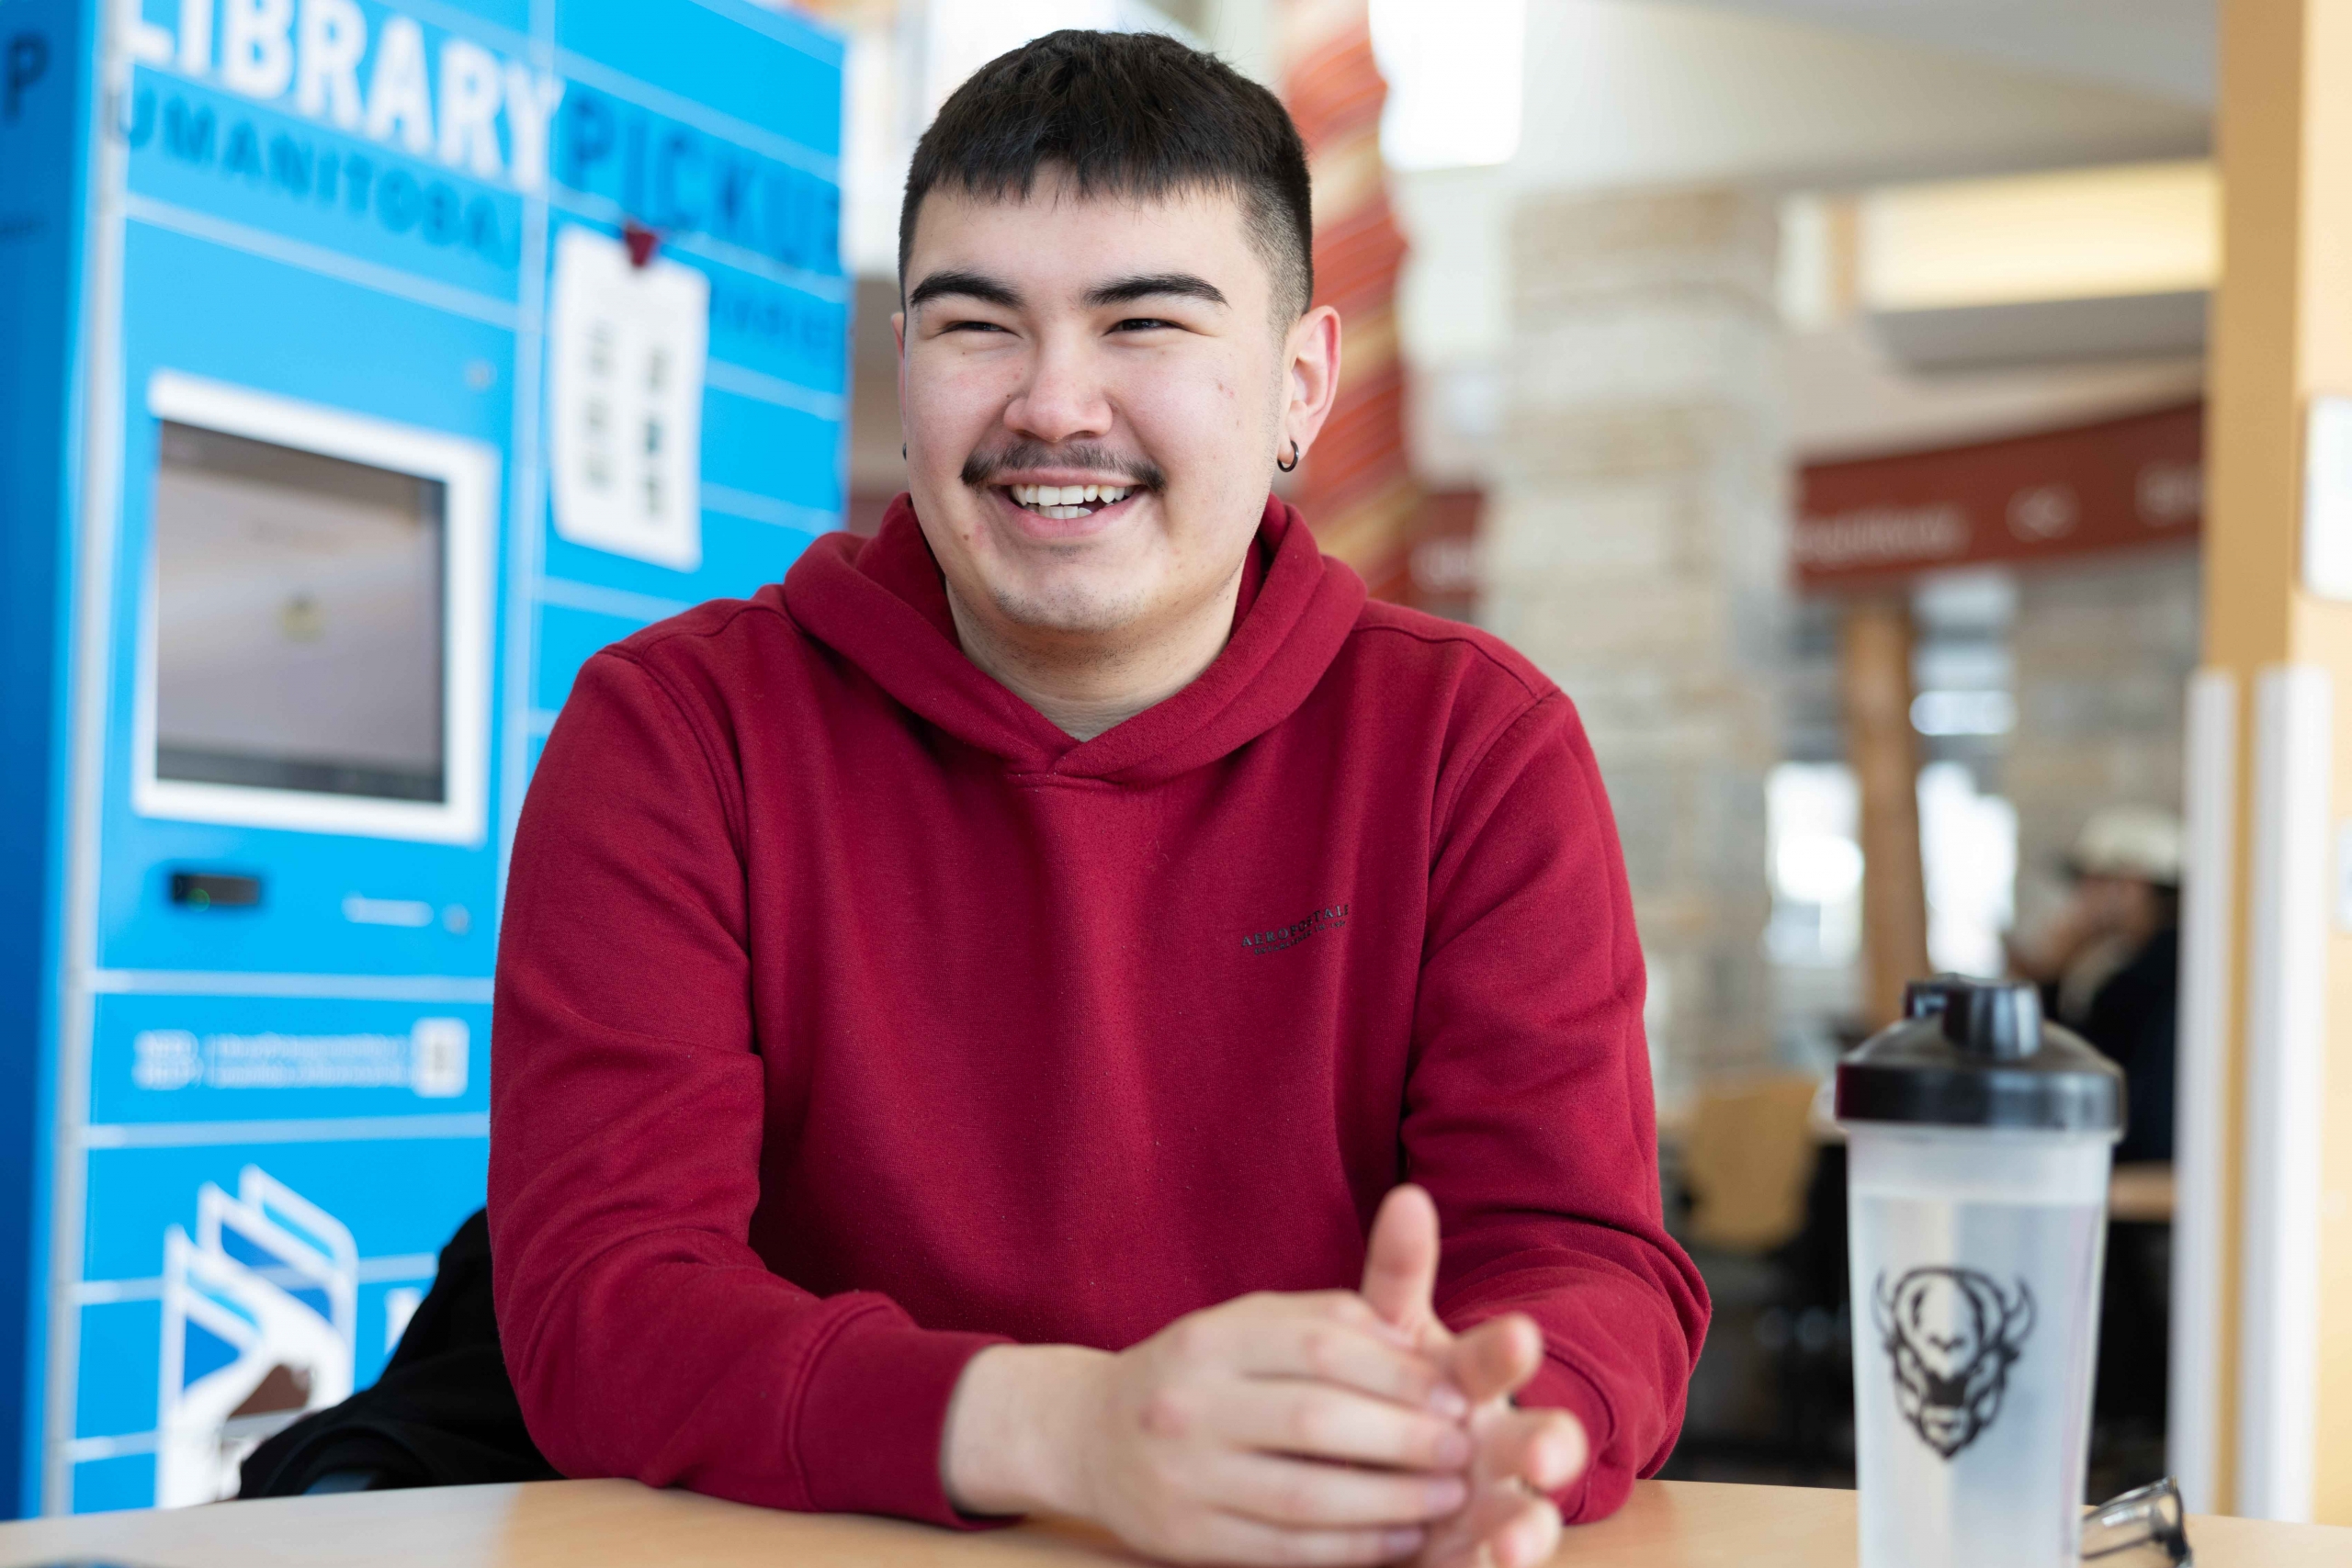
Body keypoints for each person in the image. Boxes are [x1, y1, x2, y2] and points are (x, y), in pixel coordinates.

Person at [489, 30, 1706, 1568]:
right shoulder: (681, 728)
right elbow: (603, 1298)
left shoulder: (1475, 741)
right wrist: (1066, 1429)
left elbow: (1586, 1262)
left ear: (1299, 384)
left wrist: (1491, 1429)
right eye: (976, 324)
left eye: (1144, 323)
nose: (1055, 406)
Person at [2006, 806, 2182, 1165]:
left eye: (2092, 881)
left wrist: (2050, 976)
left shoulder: (2142, 980)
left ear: (2131, 887)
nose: (2080, 898)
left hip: (2136, 1179)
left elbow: (2062, 1078)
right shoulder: (2178, 961)